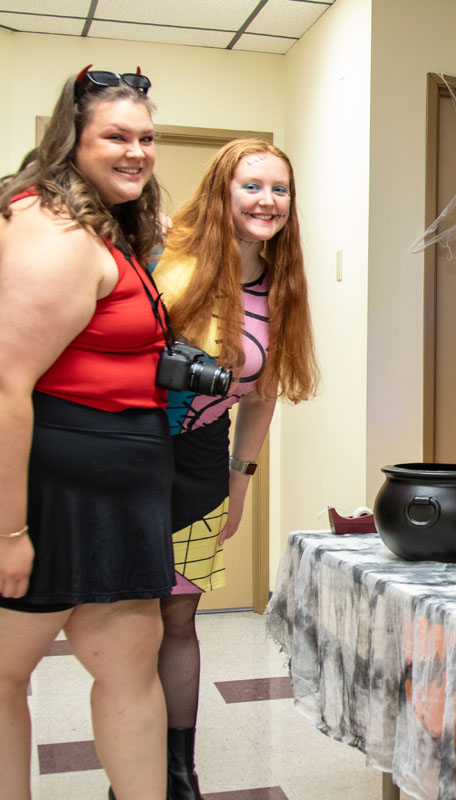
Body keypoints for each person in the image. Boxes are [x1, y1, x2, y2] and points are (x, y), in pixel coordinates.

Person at [0, 67, 172, 800]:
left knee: (131, 671)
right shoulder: (53, 229)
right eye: (116, 137)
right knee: (4, 679)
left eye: (146, 137)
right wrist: (9, 533)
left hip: (120, 487)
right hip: (48, 489)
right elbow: (6, 384)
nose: (136, 151)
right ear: (72, 142)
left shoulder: (103, 223)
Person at [149, 139, 318, 799]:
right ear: (223, 190)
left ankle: (179, 773)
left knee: (179, 618)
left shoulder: (280, 289)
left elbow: (265, 390)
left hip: (198, 463)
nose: (266, 201)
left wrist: (239, 479)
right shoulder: (169, 260)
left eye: (278, 189)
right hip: (128, 455)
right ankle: (132, 772)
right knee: (130, 622)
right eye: (252, 186)